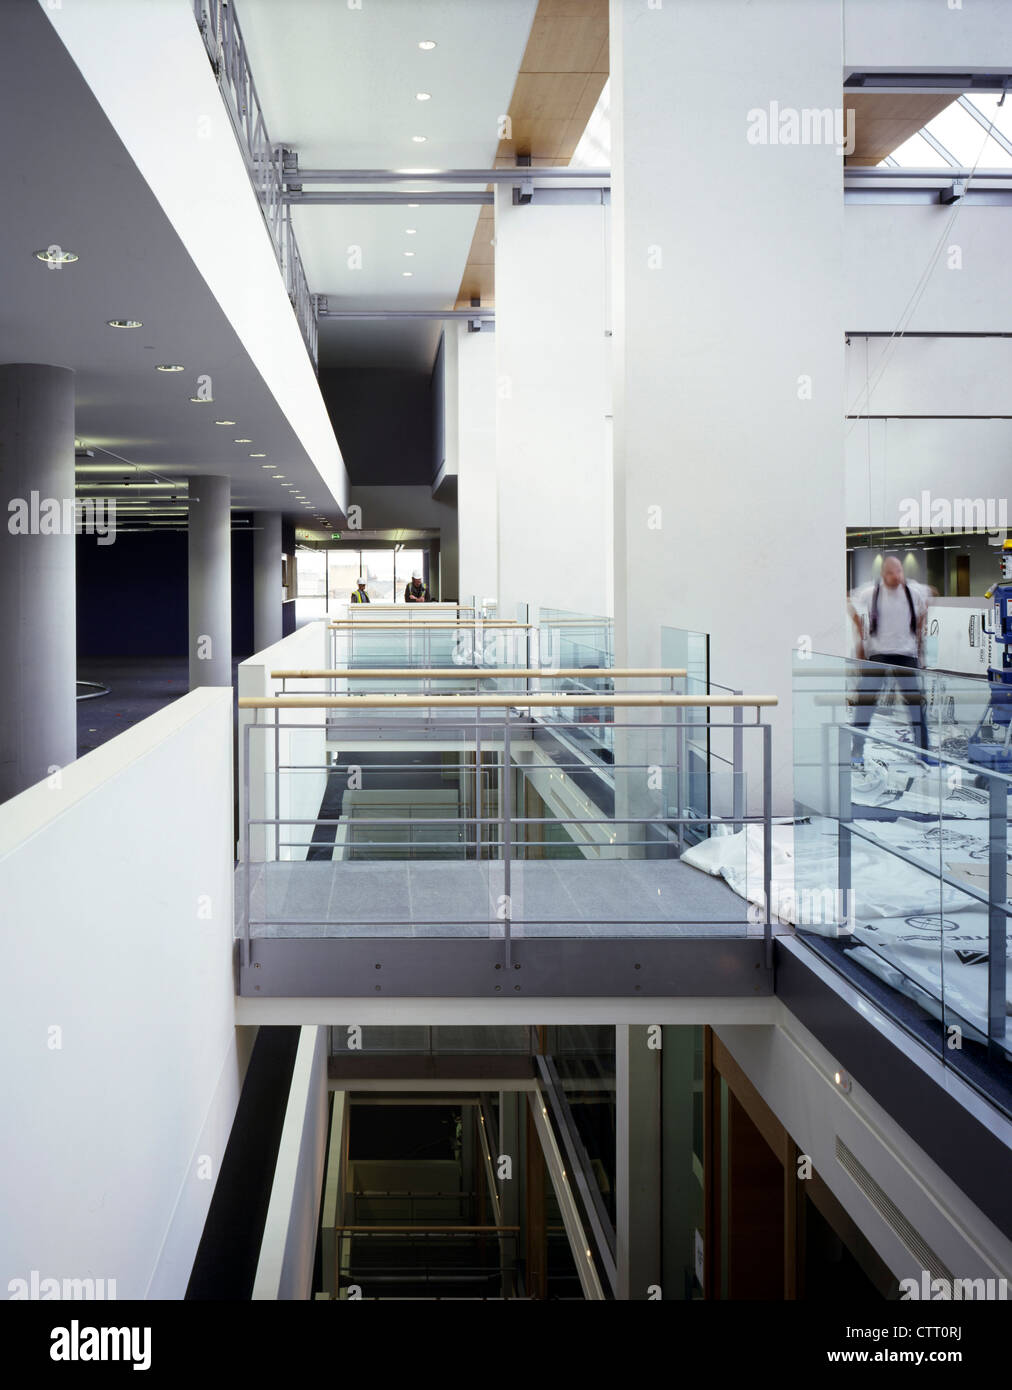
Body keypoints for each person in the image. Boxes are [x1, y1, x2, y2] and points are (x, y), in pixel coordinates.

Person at [847, 555, 933, 761]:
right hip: (878, 654)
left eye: (899, 572)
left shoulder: (914, 591)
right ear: (884, 574)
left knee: (914, 705)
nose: (896, 576)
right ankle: (857, 748)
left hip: (906, 655)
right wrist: (860, 633)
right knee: (865, 703)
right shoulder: (871, 592)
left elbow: (932, 595)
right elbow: (849, 600)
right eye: (892, 573)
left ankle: (923, 752)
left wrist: (920, 631)